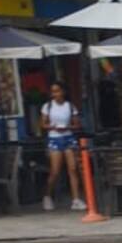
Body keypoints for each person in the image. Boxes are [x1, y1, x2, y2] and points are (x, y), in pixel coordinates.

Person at [41, 82, 86, 211]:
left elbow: (77, 124)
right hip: (54, 138)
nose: (55, 94)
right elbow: (43, 124)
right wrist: (53, 127)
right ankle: (47, 195)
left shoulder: (70, 106)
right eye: (53, 92)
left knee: (72, 169)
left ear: (63, 92)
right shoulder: (48, 106)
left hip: (68, 137)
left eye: (58, 91)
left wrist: (67, 127)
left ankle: (76, 199)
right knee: (55, 171)